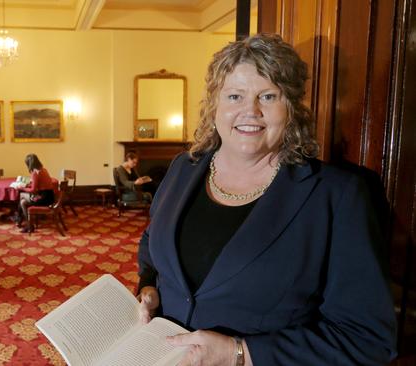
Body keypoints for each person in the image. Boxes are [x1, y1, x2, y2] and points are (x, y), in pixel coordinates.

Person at [136, 34, 396, 365]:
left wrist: (240, 353)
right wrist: (150, 287)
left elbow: (368, 338)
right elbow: (151, 244)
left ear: (292, 108)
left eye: (268, 96)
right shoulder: (183, 168)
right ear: (214, 106)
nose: (250, 111)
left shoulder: (337, 196)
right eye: (234, 96)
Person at [16, 154, 55, 233]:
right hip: (50, 196)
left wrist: (22, 188)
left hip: (44, 198)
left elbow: (33, 190)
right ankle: (22, 220)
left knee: (22, 198)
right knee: (23, 201)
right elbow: (40, 185)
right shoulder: (43, 170)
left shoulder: (35, 173)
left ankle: (24, 222)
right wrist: (29, 185)